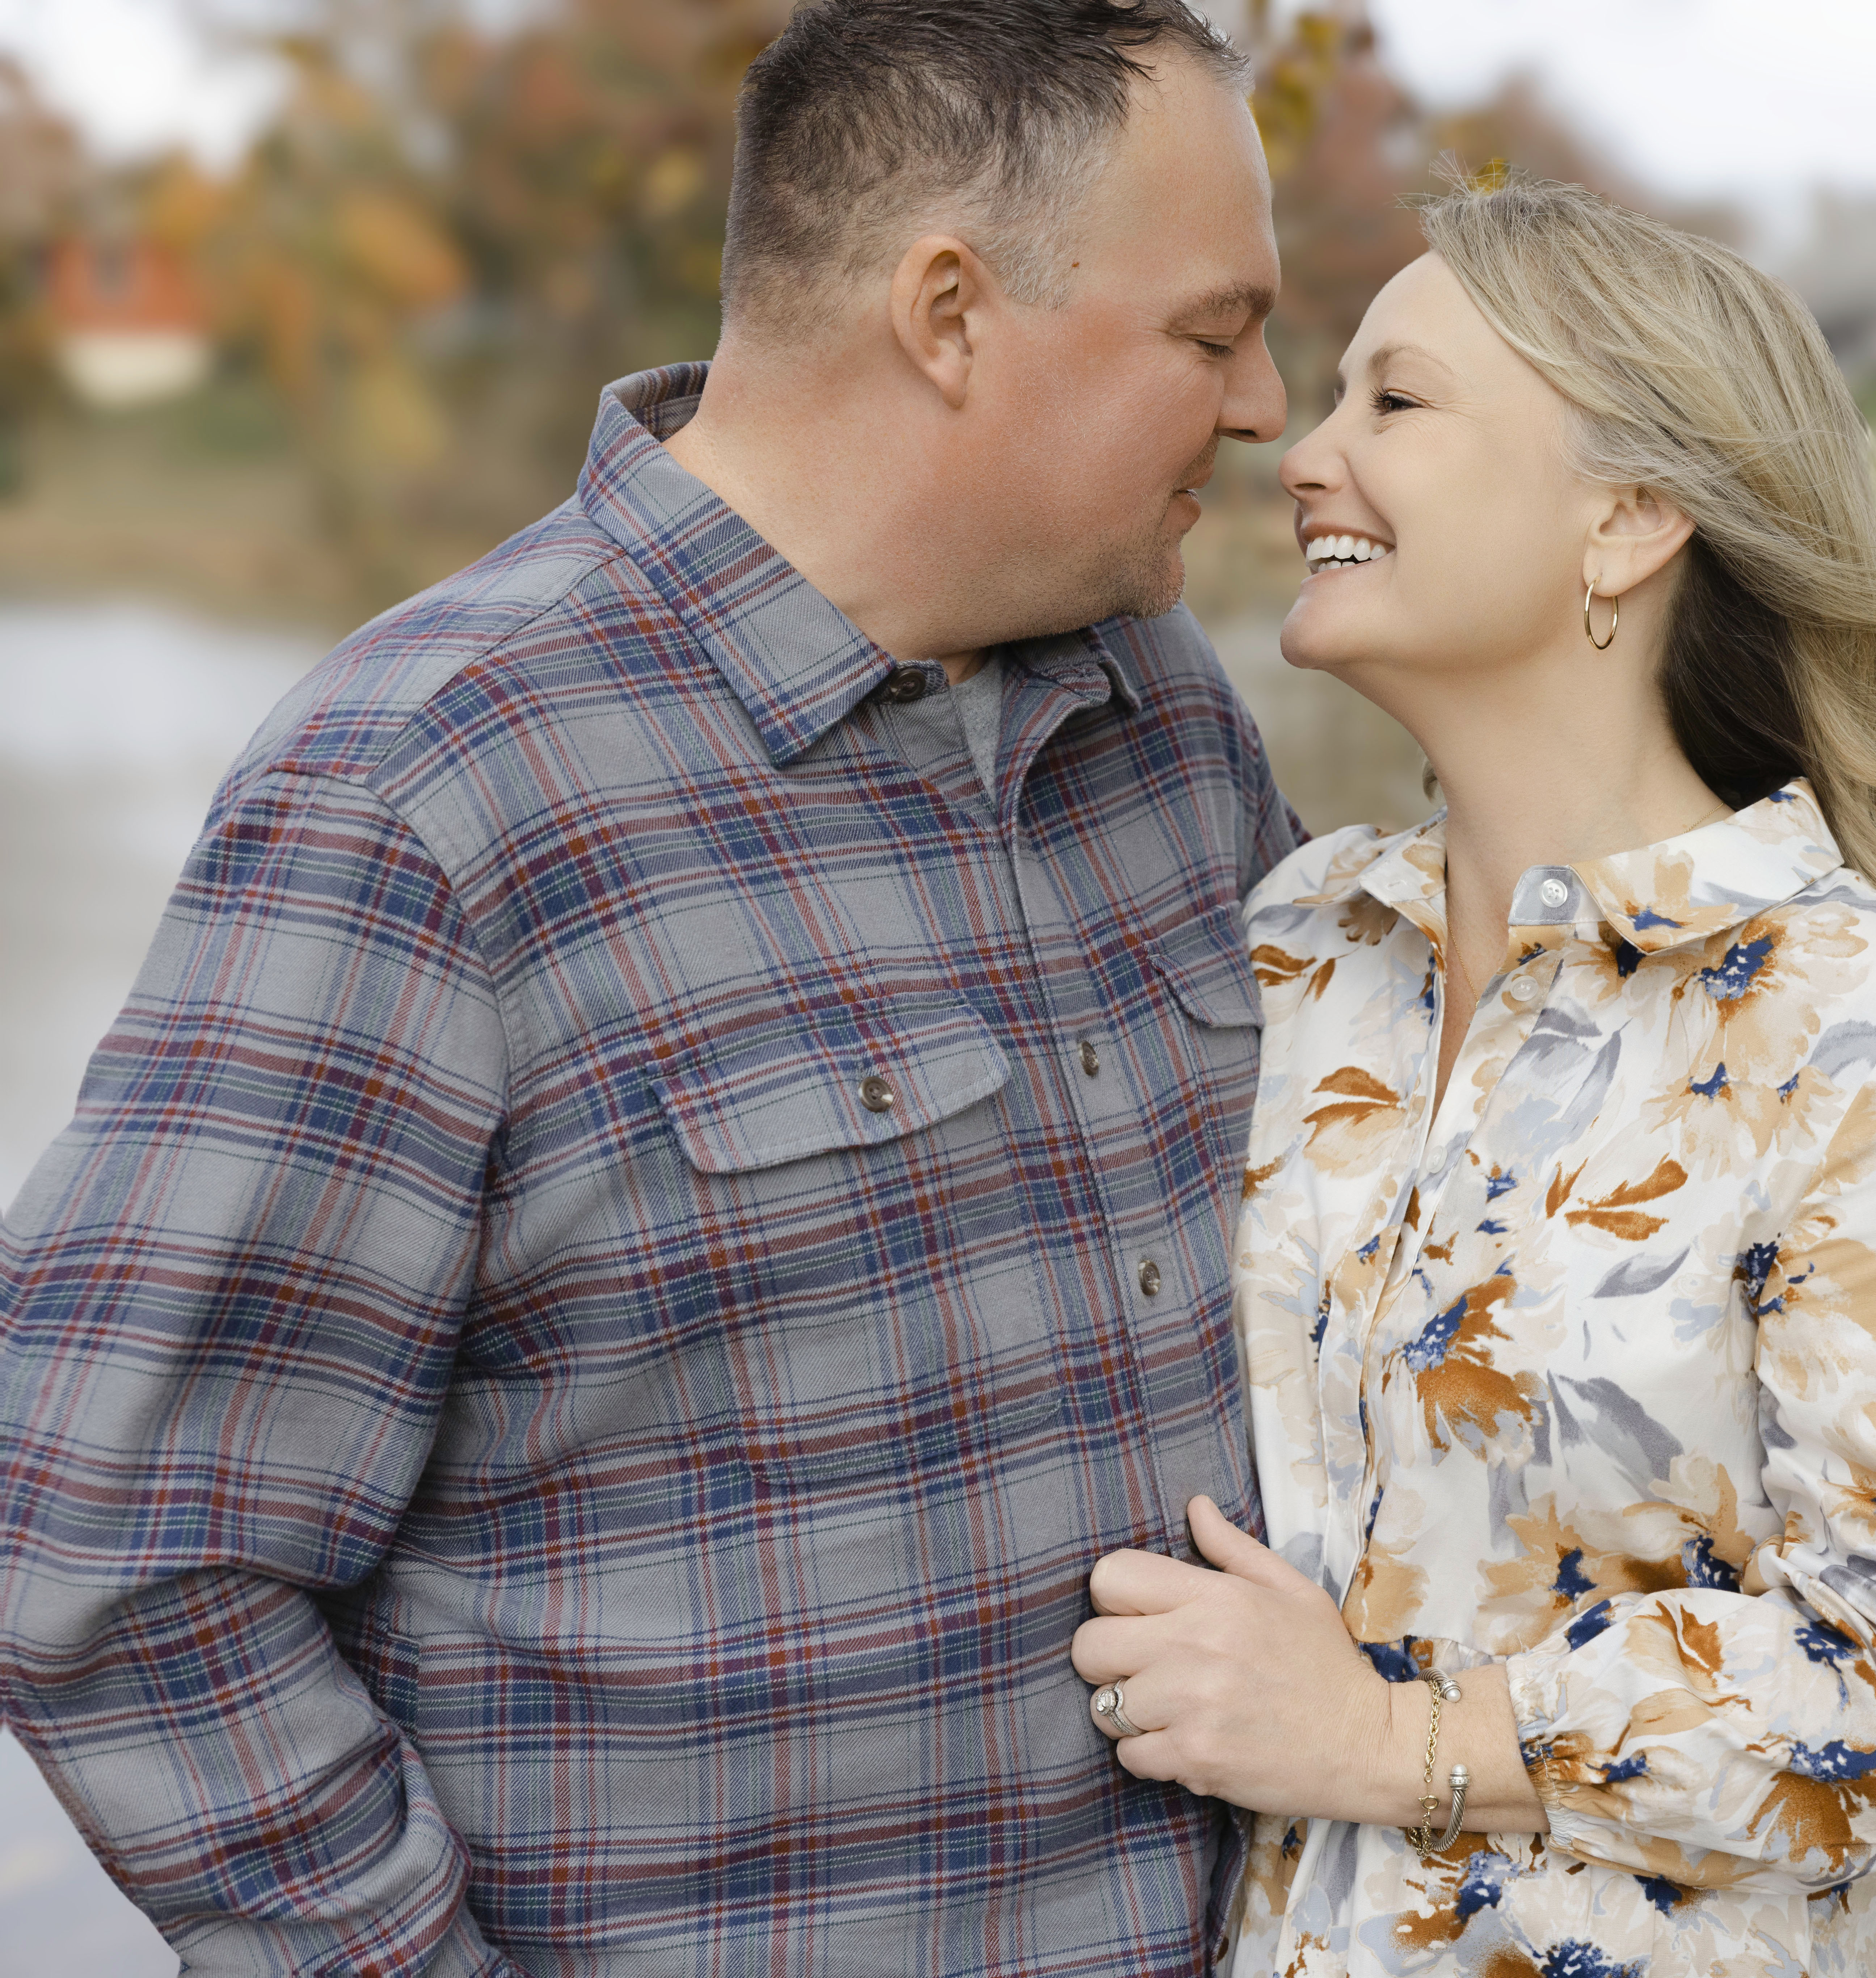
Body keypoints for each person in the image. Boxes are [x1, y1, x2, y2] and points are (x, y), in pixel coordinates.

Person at [0, 4, 1293, 1971]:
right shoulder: (429, 791)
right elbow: (104, 1556)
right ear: (949, 313)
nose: (1273, 402)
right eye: (1214, 333)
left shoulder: (1171, 724)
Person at [1068, 178, 1876, 1976]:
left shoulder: (1862, 1021)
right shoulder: (1300, 948)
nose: (1302, 453)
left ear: (1624, 517)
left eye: (1396, 401)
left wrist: (1393, 1742)